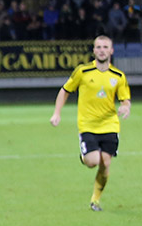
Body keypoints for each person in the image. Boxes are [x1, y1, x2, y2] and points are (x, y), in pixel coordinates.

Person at [50, 35, 131, 211]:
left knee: (106, 163)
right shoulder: (83, 71)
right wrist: (57, 113)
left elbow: (125, 99)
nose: (102, 50)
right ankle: (84, 156)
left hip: (110, 125)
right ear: (94, 50)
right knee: (92, 161)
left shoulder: (118, 76)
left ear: (111, 51)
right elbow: (65, 90)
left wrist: (125, 107)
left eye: (105, 47)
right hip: (88, 125)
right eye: (98, 47)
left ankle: (95, 200)